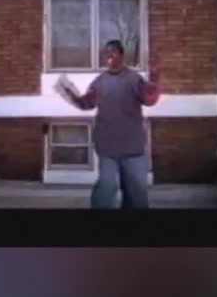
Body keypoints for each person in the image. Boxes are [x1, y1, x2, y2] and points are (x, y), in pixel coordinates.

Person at [53, 39, 160, 209]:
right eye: (106, 53)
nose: (109, 56)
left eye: (113, 52)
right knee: (106, 188)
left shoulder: (134, 79)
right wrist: (69, 92)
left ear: (122, 55)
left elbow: (149, 100)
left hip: (132, 148)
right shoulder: (100, 82)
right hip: (108, 148)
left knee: (136, 193)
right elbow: (87, 103)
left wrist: (153, 84)